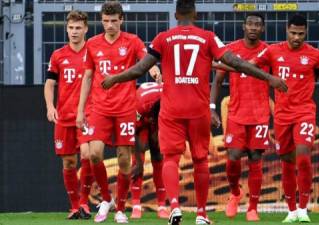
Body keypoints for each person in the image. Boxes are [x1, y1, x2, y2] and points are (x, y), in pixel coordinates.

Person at [101, 0, 287, 224]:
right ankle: (201, 214)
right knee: (200, 161)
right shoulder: (208, 37)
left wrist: (114, 78)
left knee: (170, 158)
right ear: (195, 14)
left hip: (171, 109)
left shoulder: (163, 38)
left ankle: (175, 207)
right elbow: (236, 63)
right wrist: (269, 78)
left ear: (176, 14)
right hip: (198, 110)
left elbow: (140, 68)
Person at [75, 1, 160, 223]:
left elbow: (146, 59)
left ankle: (121, 208)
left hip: (125, 108)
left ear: (121, 20)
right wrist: (80, 110)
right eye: (105, 21)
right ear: (101, 20)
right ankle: (106, 198)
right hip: (99, 108)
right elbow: (87, 77)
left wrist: (153, 68)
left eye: (114, 21)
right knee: (94, 154)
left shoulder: (132, 41)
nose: (110, 25)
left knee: (124, 160)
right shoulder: (92, 44)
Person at [254, 14, 319, 223]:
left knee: (303, 156)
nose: (296, 37)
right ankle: (292, 210)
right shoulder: (273, 51)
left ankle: (304, 208)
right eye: (293, 33)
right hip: (282, 116)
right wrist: (216, 65)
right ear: (287, 30)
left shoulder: (315, 56)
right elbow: (250, 65)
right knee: (286, 161)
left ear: (306, 33)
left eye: (301, 34)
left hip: (304, 112)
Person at [210, 13, 269, 221]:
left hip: (260, 115)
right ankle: (235, 192)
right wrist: (211, 107)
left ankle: (253, 207)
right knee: (233, 158)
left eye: (257, 25)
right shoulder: (231, 49)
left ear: (262, 28)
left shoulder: (268, 51)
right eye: (250, 24)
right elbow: (217, 81)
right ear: (244, 26)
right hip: (236, 114)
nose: (253, 27)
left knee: (255, 158)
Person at [44, 10, 93, 220]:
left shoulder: (93, 52)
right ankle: (74, 207)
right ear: (66, 28)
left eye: (78, 28)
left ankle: (85, 202)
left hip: (87, 114)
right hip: (64, 116)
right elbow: (50, 84)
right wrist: (49, 106)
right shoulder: (58, 55)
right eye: (71, 27)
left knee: (88, 155)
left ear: (86, 29)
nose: (74, 32)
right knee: (69, 163)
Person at [130, 82, 169, 219]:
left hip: (158, 113)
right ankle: (136, 205)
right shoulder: (140, 105)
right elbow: (133, 133)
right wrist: (140, 164)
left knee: (158, 156)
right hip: (141, 116)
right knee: (137, 158)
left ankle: (162, 206)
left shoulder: (169, 102)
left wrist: (158, 134)